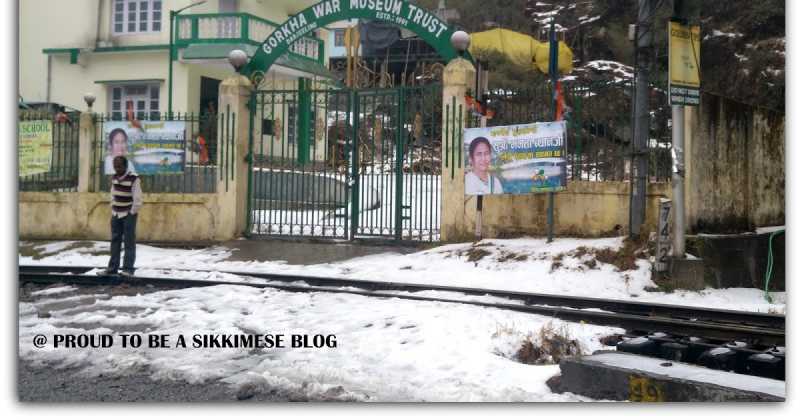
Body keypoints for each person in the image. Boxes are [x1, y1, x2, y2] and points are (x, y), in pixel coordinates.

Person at [98, 155, 142, 277]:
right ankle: (112, 268)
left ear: (125, 166)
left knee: (129, 242)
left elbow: (137, 199)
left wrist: (131, 212)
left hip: (128, 214)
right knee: (115, 241)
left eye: (119, 166)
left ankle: (128, 269)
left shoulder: (134, 178)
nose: (117, 169)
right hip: (116, 214)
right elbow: (112, 194)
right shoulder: (115, 178)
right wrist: (113, 208)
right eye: (115, 166)